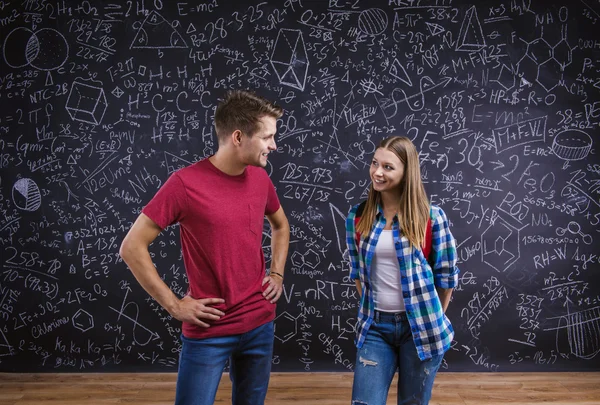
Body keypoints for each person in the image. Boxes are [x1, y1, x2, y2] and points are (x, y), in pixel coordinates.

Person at [120, 89, 290, 405]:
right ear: (239, 137)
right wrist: (174, 305)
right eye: (267, 137)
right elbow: (132, 246)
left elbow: (280, 225)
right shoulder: (184, 184)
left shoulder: (260, 179)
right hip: (209, 329)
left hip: (259, 324)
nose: (273, 145)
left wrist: (276, 274)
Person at [345, 136, 459, 405]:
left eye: (388, 167)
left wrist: (431, 318)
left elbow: (446, 277)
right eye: (375, 163)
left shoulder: (431, 217)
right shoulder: (358, 216)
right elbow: (358, 273)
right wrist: (370, 307)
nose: (377, 172)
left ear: (408, 172)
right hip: (375, 327)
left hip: (420, 327)